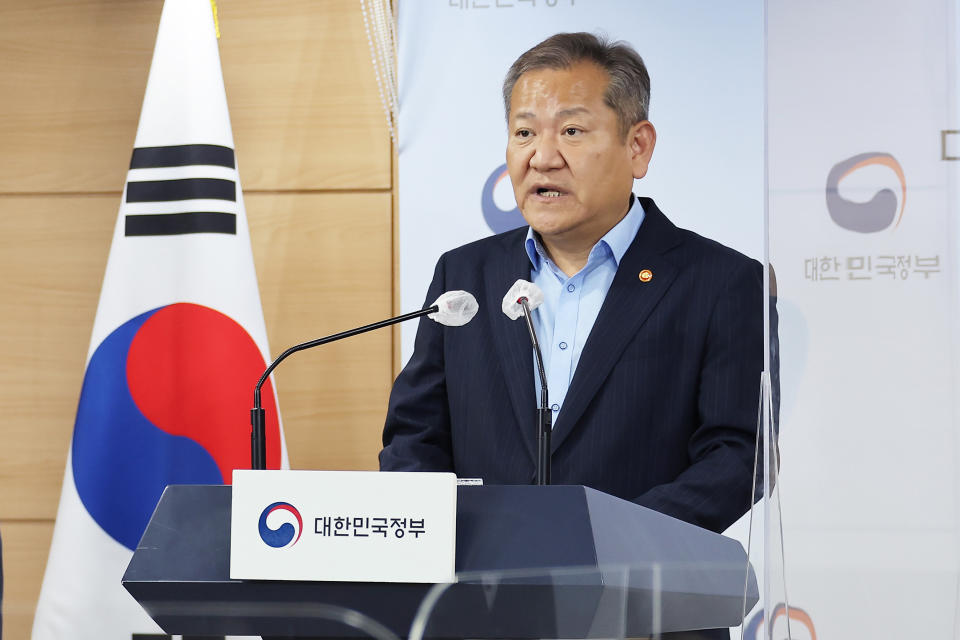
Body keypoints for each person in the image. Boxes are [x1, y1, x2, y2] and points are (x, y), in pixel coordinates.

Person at [380, 32, 769, 639]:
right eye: (524, 132)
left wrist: (605, 540)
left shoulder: (718, 282)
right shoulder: (466, 277)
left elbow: (738, 454)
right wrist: (437, 536)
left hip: (647, 611)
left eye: (571, 131)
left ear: (637, 147)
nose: (541, 156)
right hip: (479, 615)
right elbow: (414, 436)